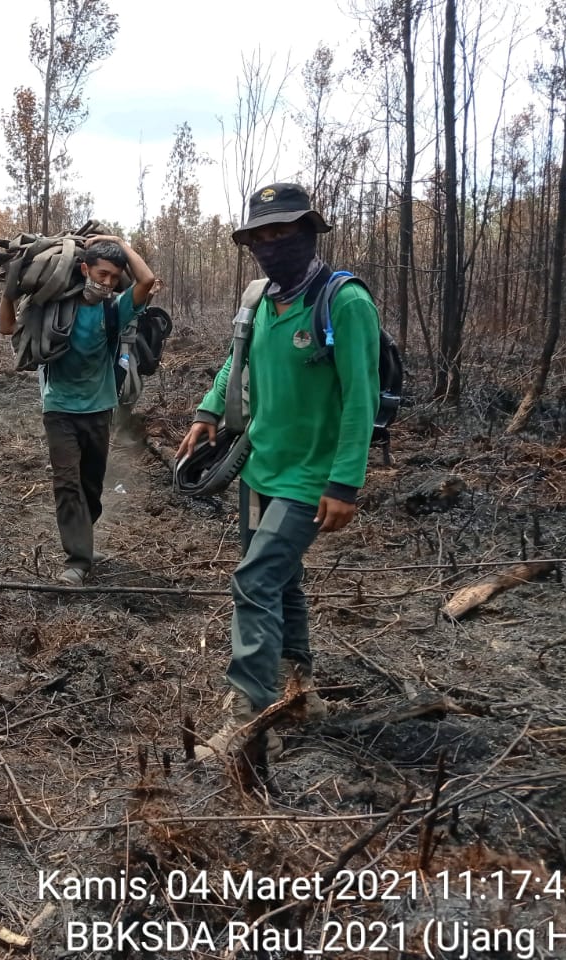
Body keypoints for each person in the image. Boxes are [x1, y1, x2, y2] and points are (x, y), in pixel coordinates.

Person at [176, 182, 380, 759]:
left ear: (309, 231)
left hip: (311, 479)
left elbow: (360, 399)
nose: (270, 245)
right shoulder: (260, 300)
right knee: (281, 579)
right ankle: (299, 690)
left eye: (281, 232)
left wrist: (345, 483)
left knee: (255, 581)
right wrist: (210, 408)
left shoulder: (345, 302)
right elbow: (235, 361)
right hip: (260, 467)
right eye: (259, 236)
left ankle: (249, 714)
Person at [0, 236, 156, 584]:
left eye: (114, 277)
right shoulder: (54, 305)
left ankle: (83, 540)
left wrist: (118, 241)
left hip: (100, 408)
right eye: (102, 274)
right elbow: (8, 327)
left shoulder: (114, 309)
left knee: (91, 485)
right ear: (84, 269)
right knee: (67, 483)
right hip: (59, 408)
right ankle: (77, 560)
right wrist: (9, 291)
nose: (108, 282)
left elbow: (146, 280)